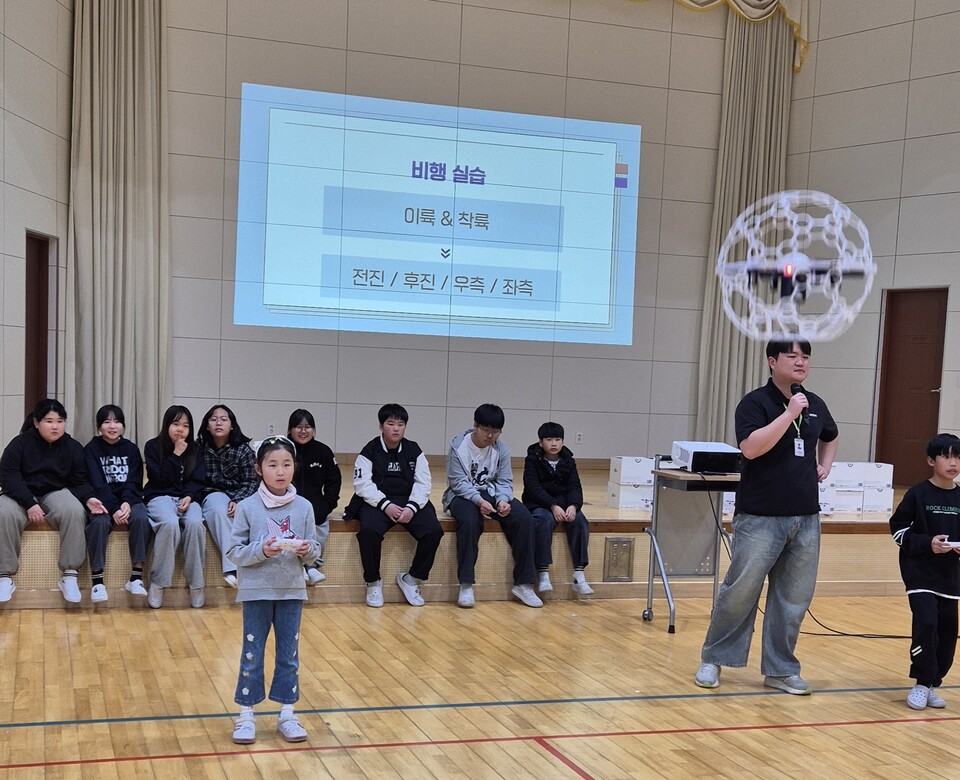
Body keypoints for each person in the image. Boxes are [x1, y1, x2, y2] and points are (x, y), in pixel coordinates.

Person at [695, 339, 838, 694]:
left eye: (805, 357)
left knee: (793, 598)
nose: (801, 362)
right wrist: (789, 414)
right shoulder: (755, 403)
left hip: (805, 516)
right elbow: (750, 448)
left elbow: (831, 436)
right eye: (792, 356)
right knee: (741, 591)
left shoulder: (815, 402)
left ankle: (780, 669)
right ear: (772, 362)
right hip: (760, 516)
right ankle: (714, 659)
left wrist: (826, 464)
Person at [227, 435, 320, 745]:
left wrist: (307, 550)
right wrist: (261, 551)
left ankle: (287, 713)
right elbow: (234, 551)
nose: (280, 471)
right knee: (251, 654)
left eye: (286, 464)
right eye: (272, 465)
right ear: (258, 469)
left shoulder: (304, 506)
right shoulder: (247, 507)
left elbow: (314, 550)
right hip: (256, 592)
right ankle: (246, 715)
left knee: (289, 655)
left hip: (292, 591)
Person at [0, 399, 107, 603]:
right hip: (21, 494)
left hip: (55, 492)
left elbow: (79, 481)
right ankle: (4, 576)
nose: (55, 426)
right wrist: (29, 503)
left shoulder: (72, 447)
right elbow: (8, 476)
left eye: (60, 420)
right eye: (49, 421)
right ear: (36, 422)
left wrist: (89, 498)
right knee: (3, 512)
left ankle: (69, 574)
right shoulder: (19, 444)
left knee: (75, 510)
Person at [443, 403, 541, 609]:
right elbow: (457, 482)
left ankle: (523, 584)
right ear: (475, 426)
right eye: (486, 430)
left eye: (495, 432)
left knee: (524, 519)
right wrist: (479, 501)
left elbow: (505, 481)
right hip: (462, 495)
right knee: (470, 520)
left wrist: (503, 500)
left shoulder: (501, 449)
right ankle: (466, 584)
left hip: (493, 493)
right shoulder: (458, 447)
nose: (490, 436)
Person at [346, 404, 443, 607]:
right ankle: (373, 582)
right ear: (381, 426)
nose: (396, 428)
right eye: (391, 424)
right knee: (369, 531)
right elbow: (362, 484)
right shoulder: (369, 450)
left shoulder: (414, 450)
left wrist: (412, 507)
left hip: (409, 501)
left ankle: (412, 578)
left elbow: (423, 483)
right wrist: (385, 504)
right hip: (377, 503)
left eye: (400, 424)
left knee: (434, 530)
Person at [890, 433, 960, 710]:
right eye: (946, 456)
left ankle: (933, 683)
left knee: (947, 631)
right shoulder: (917, 494)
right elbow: (898, 530)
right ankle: (920, 681)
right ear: (931, 461)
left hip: (950, 578)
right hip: (919, 575)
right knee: (927, 623)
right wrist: (927, 543)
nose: (953, 462)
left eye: (957, 456)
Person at [83, 404, 152, 601]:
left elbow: (134, 480)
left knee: (141, 517)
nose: (112, 426)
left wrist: (127, 503)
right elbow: (97, 483)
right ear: (99, 427)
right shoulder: (91, 449)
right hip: (102, 501)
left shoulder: (131, 449)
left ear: (123, 426)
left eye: (117, 421)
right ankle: (97, 582)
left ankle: (136, 577)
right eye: (106, 422)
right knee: (99, 522)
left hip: (128, 500)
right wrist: (113, 508)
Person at [143, 405, 207, 609]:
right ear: (166, 424)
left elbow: (198, 480)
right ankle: (158, 583)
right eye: (176, 424)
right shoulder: (153, 446)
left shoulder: (196, 449)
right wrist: (176, 455)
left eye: (186, 426)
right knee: (170, 524)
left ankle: (197, 584)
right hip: (159, 496)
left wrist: (189, 496)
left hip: (186, 498)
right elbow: (158, 479)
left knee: (196, 524)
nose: (180, 429)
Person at [522, 421, 593, 596]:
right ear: (540, 442)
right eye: (549, 439)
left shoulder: (569, 461)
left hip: (564, 503)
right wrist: (552, 505)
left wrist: (573, 505)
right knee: (543, 520)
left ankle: (579, 573)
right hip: (539, 503)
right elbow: (532, 487)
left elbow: (575, 486)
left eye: (557, 439)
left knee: (580, 521)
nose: (554, 443)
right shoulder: (532, 460)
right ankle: (543, 572)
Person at [197, 404, 257, 589]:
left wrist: (238, 500)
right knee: (219, 509)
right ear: (207, 425)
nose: (218, 423)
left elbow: (250, 482)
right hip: (211, 494)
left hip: (239, 494)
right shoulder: (199, 448)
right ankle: (232, 567)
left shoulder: (243, 450)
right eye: (214, 419)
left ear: (232, 425)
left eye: (224, 419)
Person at [288, 409, 340, 586]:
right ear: (290, 429)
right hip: (287, 502)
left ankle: (312, 566)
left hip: (316, 504)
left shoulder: (323, 451)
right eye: (298, 427)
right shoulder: (284, 449)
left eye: (308, 427)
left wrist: (327, 505)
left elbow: (334, 481)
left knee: (319, 525)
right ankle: (298, 567)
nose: (303, 431)